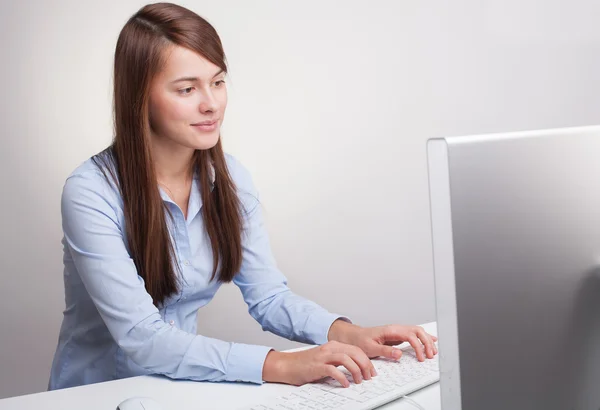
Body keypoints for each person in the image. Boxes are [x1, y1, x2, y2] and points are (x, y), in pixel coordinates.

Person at [48, 2, 438, 391]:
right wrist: (281, 364)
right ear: (139, 97)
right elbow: (143, 339)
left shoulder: (230, 178)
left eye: (217, 82)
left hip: (179, 388)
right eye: (187, 88)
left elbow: (268, 297)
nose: (212, 103)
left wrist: (346, 334)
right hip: (97, 394)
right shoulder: (91, 193)